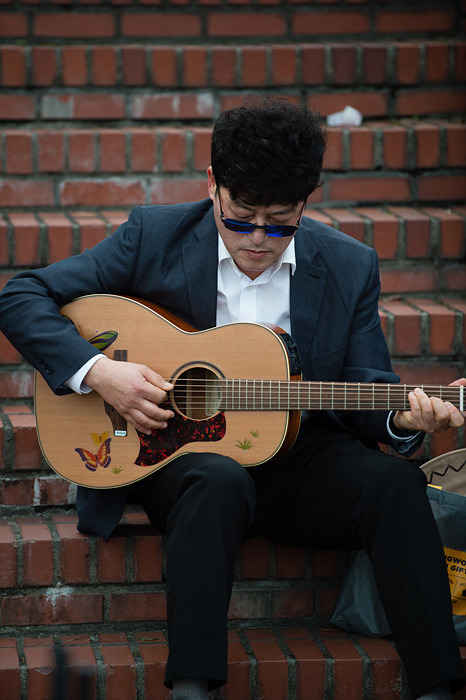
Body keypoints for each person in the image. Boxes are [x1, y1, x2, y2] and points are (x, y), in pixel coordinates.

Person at [0, 97, 464, 700]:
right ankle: (192, 687)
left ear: (306, 202)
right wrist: (101, 373)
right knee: (216, 480)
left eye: (281, 222)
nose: (259, 239)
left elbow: (367, 385)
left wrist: (402, 418)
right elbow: (22, 297)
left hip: (300, 458)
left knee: (396, 483)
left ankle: (437, 686)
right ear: (212, 184)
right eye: (241, 218)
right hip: (179, 456)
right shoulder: (154, 235)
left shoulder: (348, 265)